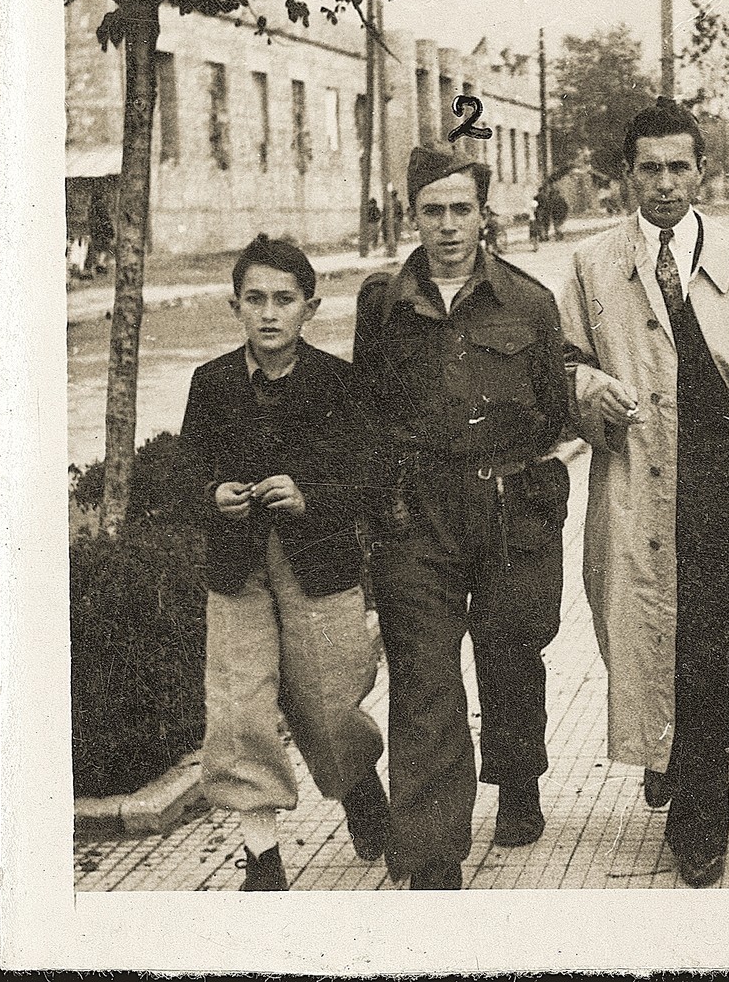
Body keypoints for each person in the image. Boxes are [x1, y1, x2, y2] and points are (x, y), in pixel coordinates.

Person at [558, 97, 729, 888]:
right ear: (626, 176)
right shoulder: (595, 264)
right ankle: (666, 755)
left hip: (723, 485)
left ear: (702, 171)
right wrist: (588, 388)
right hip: (637, 479)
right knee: (634, 626)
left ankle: (703, 816)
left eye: (678, 166)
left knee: (710, 646)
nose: (664, 182)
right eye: (648, 168)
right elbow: (561, 365)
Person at [353, 145, 572, 890]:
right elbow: (368, 410)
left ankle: (517, 781)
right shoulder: (383, 304)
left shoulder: (530, 302)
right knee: (423, 676)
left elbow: (554, 410)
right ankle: (432, 851)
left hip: (510, 507)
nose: (447, 226)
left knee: (510, 653)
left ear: (485, 215)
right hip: (418, 516)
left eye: (461, 210)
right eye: (432, 211)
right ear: (412, 216)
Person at [179, 234, 388, 891]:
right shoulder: (210, 382)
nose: (268, 313)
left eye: (284, 300)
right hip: (236, 571)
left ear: (310, 308)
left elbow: (370, 474)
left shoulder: (336, 380)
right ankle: (262, 857)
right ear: (234, 306)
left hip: (319, 566)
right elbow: (184, 469)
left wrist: (309, 495)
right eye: (254, 299)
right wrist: (211, 494)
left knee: (330, 706)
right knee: (239, 711)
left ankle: (358, 787)